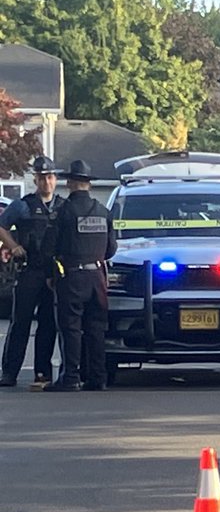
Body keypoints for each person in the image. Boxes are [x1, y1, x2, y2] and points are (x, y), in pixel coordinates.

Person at [43, 160, 116, 392]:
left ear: (70, 183)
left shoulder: (62, 212)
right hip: (97, 278)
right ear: (89, 185)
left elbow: (48, 249)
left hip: (72, 277)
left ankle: (71, 377)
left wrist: (49, 274)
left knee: (71, 328)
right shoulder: (103, 212)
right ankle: (97, 378)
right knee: (96, 329)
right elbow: (111, 250)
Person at [0, 155, 63, 389]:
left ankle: (42, 373)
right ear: (35, 180)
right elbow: (2, 226)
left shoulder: (62, 206)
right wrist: (13, 246)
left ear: (55, 179)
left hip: (53, 273)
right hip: (29, 271)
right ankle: (9, 372)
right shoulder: (23, 205)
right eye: (41, 178)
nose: (46, 182)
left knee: (48, 325)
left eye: (50, 177)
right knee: (20, 323)